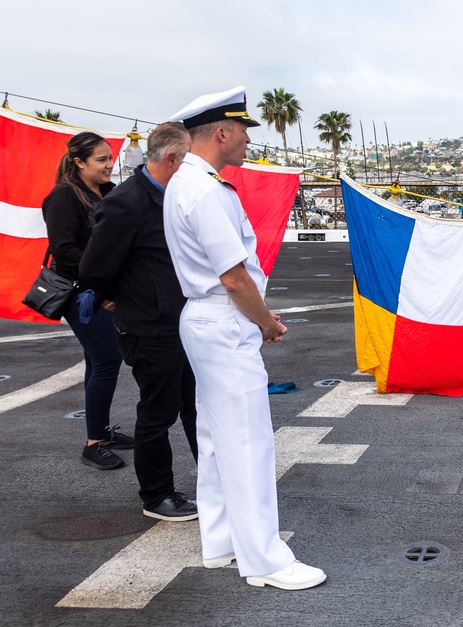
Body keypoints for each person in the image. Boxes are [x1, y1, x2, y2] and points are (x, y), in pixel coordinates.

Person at [162, 87, 326, 591]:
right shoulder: (207, 190)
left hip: (204, 319)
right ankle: (265, 560)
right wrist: (266, 322)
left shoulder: (184, 183)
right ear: (222, 133)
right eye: (245, 130)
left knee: (216, 437)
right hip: (224, 319)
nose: (249, 140)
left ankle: (221, 541)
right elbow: (234, 278)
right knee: (247, 442)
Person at [79, 122, 198, 521]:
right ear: (171, 159)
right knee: (158, 412)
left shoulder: (175, 196)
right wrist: (120, 297)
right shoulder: (126, 202)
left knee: (195, 406)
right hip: (149, 325)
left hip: (181, 320)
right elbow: (94, 268)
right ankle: (157, 496)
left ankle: (216, 481)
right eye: (190, 160)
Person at [41, 132, 130, 470]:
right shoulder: (63, 197)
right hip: (81, 294)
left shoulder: (106, 192)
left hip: (102, 290)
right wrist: (104, 280)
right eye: (101, 160)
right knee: (107, 361)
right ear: (78, 162)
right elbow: (64, 249)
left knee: (98, 362)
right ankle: (94, 443)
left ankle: (102, 430)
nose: (109, 165)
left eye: (110, 158)